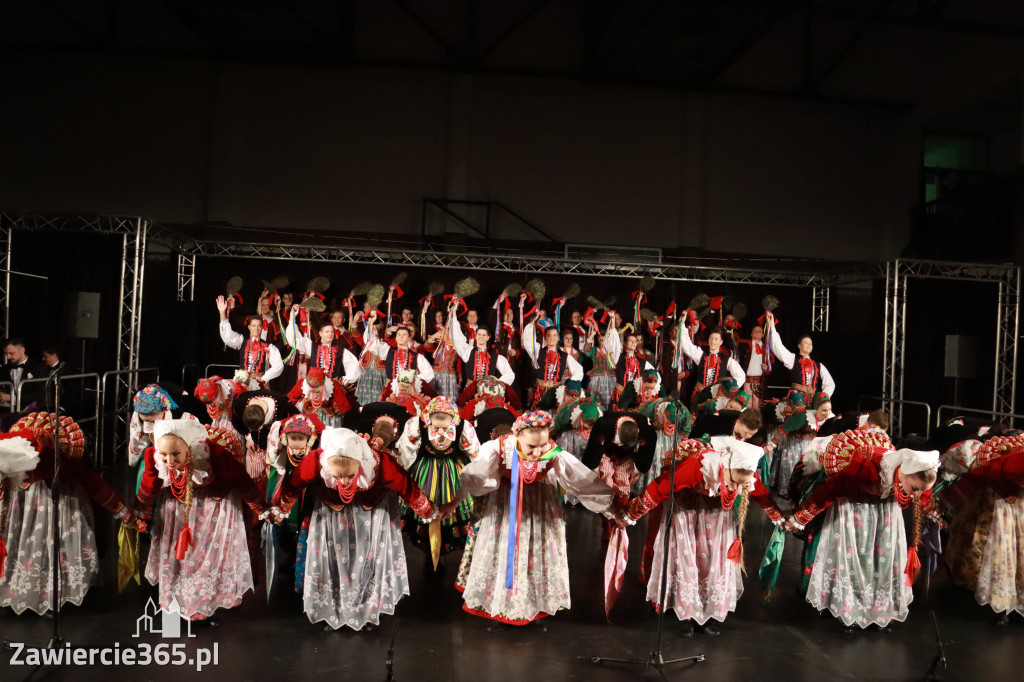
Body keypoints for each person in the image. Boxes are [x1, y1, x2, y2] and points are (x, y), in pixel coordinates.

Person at [438, 411, 619, 627]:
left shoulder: (553, 452)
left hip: (540, 508)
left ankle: (532, 605)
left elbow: (581, 481)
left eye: (542, 445)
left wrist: (611, 509)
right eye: (531, 447)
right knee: (506, 552)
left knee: (535, 553)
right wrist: (454, 502)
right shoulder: (497, 448)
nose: (537, 452)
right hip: (506, 507)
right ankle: (504, 605)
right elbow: (473, 477)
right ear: (518, 437)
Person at [274, 427, 436, 631]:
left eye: (350, 476)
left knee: (367, 560)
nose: (343, 482)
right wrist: (281, 508)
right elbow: (294, 483)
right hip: (331, 517)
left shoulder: (379, 463)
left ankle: (366, 611)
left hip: (369, 515)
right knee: (333, 561)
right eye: (338, 477)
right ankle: (334, 610)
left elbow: (405, 485)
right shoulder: (316, 461)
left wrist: (427, 511)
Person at [624, 436, 785, 635]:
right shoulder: (698, 467)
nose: (735, 488)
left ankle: (708, 612)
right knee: (686, 559)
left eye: (740, 486)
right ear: (726, 466)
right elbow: (661, 487)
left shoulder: (745, 471)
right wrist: (632, 513)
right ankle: (686, 613)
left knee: (713, 562)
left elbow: (761, 494)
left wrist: (777, 516)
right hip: (687, 513)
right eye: (733, 482)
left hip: (717, 518)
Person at [785, 442, 938, 632]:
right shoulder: (866, 470)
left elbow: (924, 495)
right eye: (914, 488)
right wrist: (801, 516)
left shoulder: (920, 478)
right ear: (904, 471)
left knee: (883, 561)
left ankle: (880, 610)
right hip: (855, 509)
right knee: (854, 558)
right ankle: (849, 608)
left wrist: (932, 510)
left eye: (921, 490)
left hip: (886, 514)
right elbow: (830, 490)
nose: (916, 494)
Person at [135, 418, 271, 622]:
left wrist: (261, 507)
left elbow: (239, 479)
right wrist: (138, 510)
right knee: (177, 556)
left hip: (211, 508)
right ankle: (175, 598)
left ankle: (202, 602)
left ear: (189, 447)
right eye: (163, 454)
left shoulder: (212, 453)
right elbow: (150, 483)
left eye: (175, 454)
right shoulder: (152, 455)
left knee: (204, 555)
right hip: (175, 507)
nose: (169, 461)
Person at [0, 414, 132, 614]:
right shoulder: (6, 455)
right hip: (22, 503)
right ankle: (23, 586)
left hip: (61, 501)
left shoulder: (56, 461)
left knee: (55, 541)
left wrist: (118, 508)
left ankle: (59, 589)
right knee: (26, 540)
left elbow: (90, 481)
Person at [940, 434, 1024, 625]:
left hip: (1005, 509)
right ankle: (1001, 602)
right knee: (999, 552)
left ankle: (1005, 602)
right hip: (995, 510)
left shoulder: (987, 457)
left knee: (1006, 552)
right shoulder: (982, 457)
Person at [395, 396, 481, 570]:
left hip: (453, 472)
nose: (441, 432)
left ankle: (441, 553)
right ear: (428, 419)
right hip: (425, 470)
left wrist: (477, 475)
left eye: (445, 427)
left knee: (449, 515)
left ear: (453, 420)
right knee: (425, 512)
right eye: (436, 427)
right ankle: (429, 551)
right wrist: (402, 473)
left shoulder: (464, 427)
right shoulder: (416, 424)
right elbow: (406, 450)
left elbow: (475, 452)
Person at [216, 296, 284, 390]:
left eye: (259, 326)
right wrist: (222, 313)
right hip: (241, 385)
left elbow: (279, 366)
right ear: (249, 327)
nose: (256, 329)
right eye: (254, 326)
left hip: (259, 386)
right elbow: (227, 336)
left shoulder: (269, 347)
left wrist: (263, 378)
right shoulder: (241, 341)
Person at [764, 311, 836, 399]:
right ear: (799, 346)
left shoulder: (818, 365)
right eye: (806, 343)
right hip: (795, 401)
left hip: (812, 401)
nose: (809, 345)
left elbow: (830, 383)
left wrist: (823, 397)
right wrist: (772, 325)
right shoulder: (792, 359)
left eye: (810, 344)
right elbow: (778, 347)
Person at [677, 326, 745, 403]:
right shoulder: (700, 355)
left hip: (716, 399)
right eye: (711, 338)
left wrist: (728, 390)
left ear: (721, 342)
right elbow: (687, 346)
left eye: (716, 339)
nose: (713, 341)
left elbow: (741, 376)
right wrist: (682, 325)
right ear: (708, 340)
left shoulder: (727, 360)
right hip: (699, 396)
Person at [0, 338, 48, 410]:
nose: (8, 357)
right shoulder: (5, 369)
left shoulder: (38, 367)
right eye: (6, 354)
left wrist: (11, 397)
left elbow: (40, 395)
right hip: (8, 411)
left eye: (11, 353)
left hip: (31, 412)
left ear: (22, 350)